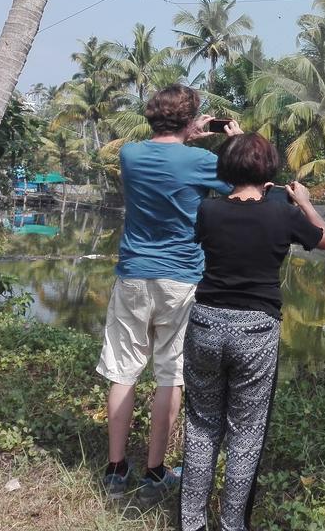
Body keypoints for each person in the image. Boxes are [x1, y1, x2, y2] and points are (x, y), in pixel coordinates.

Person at [179, 133, 325, 531]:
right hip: (255, 330)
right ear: (270, 174)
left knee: (201, 424)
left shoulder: (207, 211)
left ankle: (192, 523)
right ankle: (233, 524)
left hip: (206, 323)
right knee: (246, 432)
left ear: (226, 169)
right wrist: (304, 203)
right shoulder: (283, 215)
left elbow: (210, 234)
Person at [96, 84, 241, 500]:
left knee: (124, 371)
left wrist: (186, 132)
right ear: (191, 118)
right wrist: (232, 138)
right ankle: (155, 470)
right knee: (169, 374)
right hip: (181, 279)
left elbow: (164, 151)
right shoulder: (203, 161)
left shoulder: (131, 154)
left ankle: (116, 468)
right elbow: (243, 182)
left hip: (134, 274)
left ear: (151, 115)